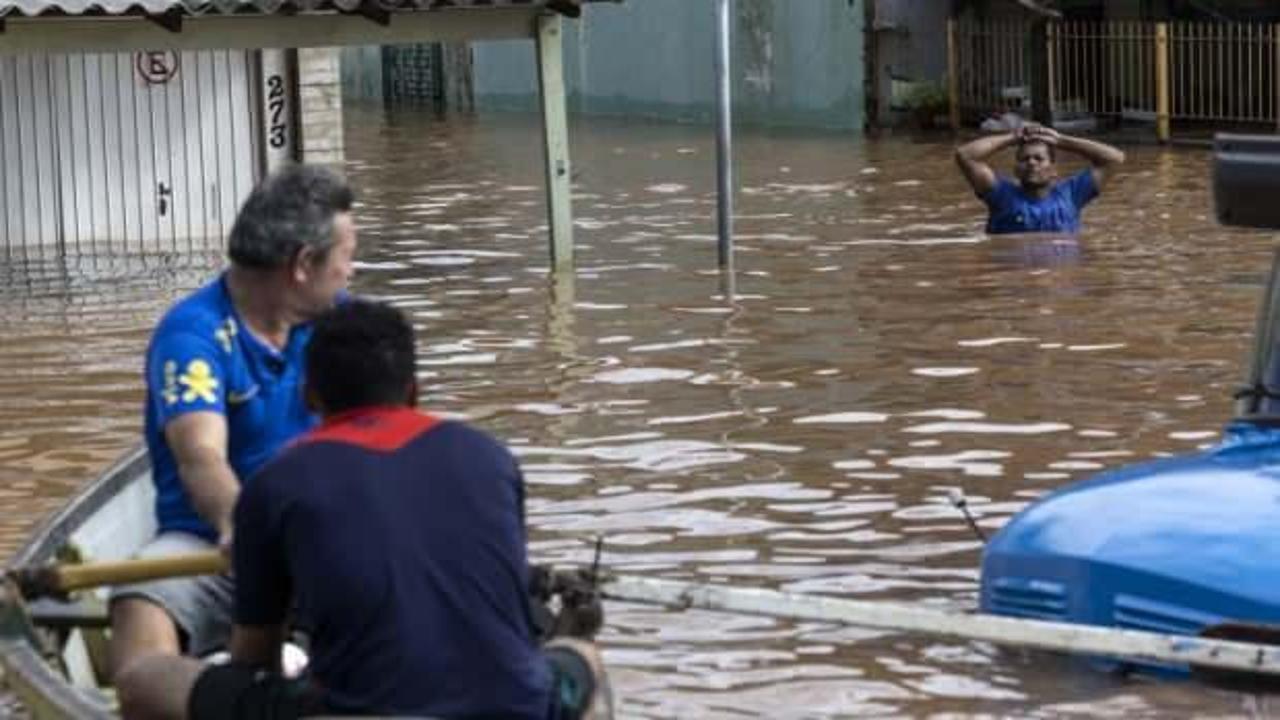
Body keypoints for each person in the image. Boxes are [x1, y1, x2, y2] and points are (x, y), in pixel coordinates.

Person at [117, 299, 610, 719]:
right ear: (415, 391)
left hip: (350, 711)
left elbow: (255, 659)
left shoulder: (275, 484)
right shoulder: (490, 459)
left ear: (310, 395)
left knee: (143, 678)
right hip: (514, 708)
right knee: (583, 657)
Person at [110, 165, 358, 692]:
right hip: (212, 542)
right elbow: (201, 454)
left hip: (324, 537)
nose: (351, 273)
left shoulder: (344, 326)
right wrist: (243, 529)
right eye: (346, 259)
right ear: (303, 265)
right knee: (140, 603)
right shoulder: (194, 333)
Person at [955, 123, 1126, 235]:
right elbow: (966, 155)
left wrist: (1061, 140)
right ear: (1016, 170)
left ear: (1054, 170)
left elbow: (1115, 158)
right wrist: (1012, 138)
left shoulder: (1073, 194)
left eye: (1039, 159)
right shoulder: (1000, 195)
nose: (1031, 163)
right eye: (1025, 159)